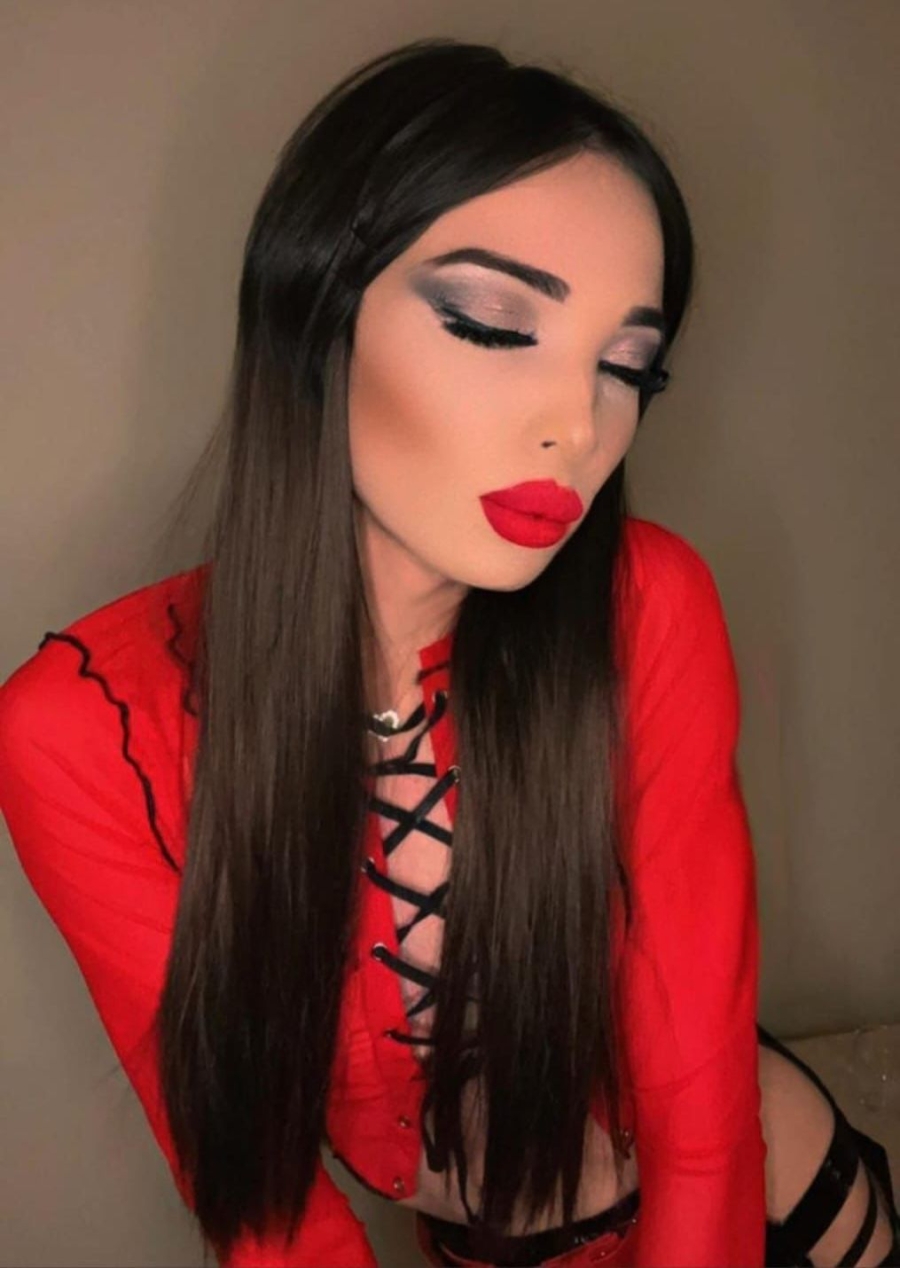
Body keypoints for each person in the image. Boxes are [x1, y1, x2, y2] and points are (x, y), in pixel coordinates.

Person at [0, 36, 897, 1268]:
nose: (578, 423)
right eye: (491, 324)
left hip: (762, 1191)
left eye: (627, 367)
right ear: (314, 318)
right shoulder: (87, 733)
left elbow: (699, 1107)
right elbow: (256, 1197)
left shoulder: (647, 602)